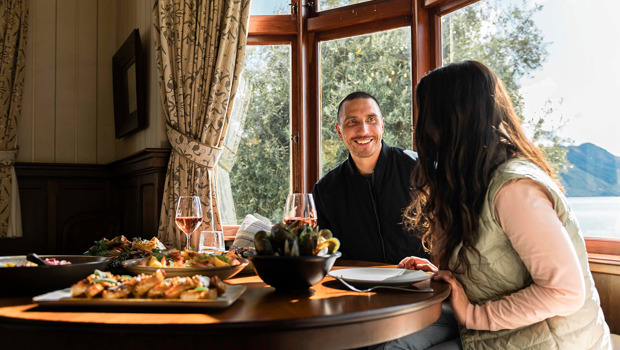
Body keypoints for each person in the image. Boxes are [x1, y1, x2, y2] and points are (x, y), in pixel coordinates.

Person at [396, 60, 611, 349]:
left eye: (426, 113)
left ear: (452, 118)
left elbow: (565, 291)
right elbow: (499, 265)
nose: (420, 126)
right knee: (393, 342)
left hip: (552, 342)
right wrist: (444, 276)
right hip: (504, 333)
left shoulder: (514, 189)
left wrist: (473, 314)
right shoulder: (478, 179)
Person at [312, 91, 428, 264]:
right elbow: (322, 256)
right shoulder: (325, 190)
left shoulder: (422, 171)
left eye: (371, 119)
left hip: (421, 286)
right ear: (339, 131)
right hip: (353, 289)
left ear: (382, 125)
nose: (363, 130)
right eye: (352, 122)